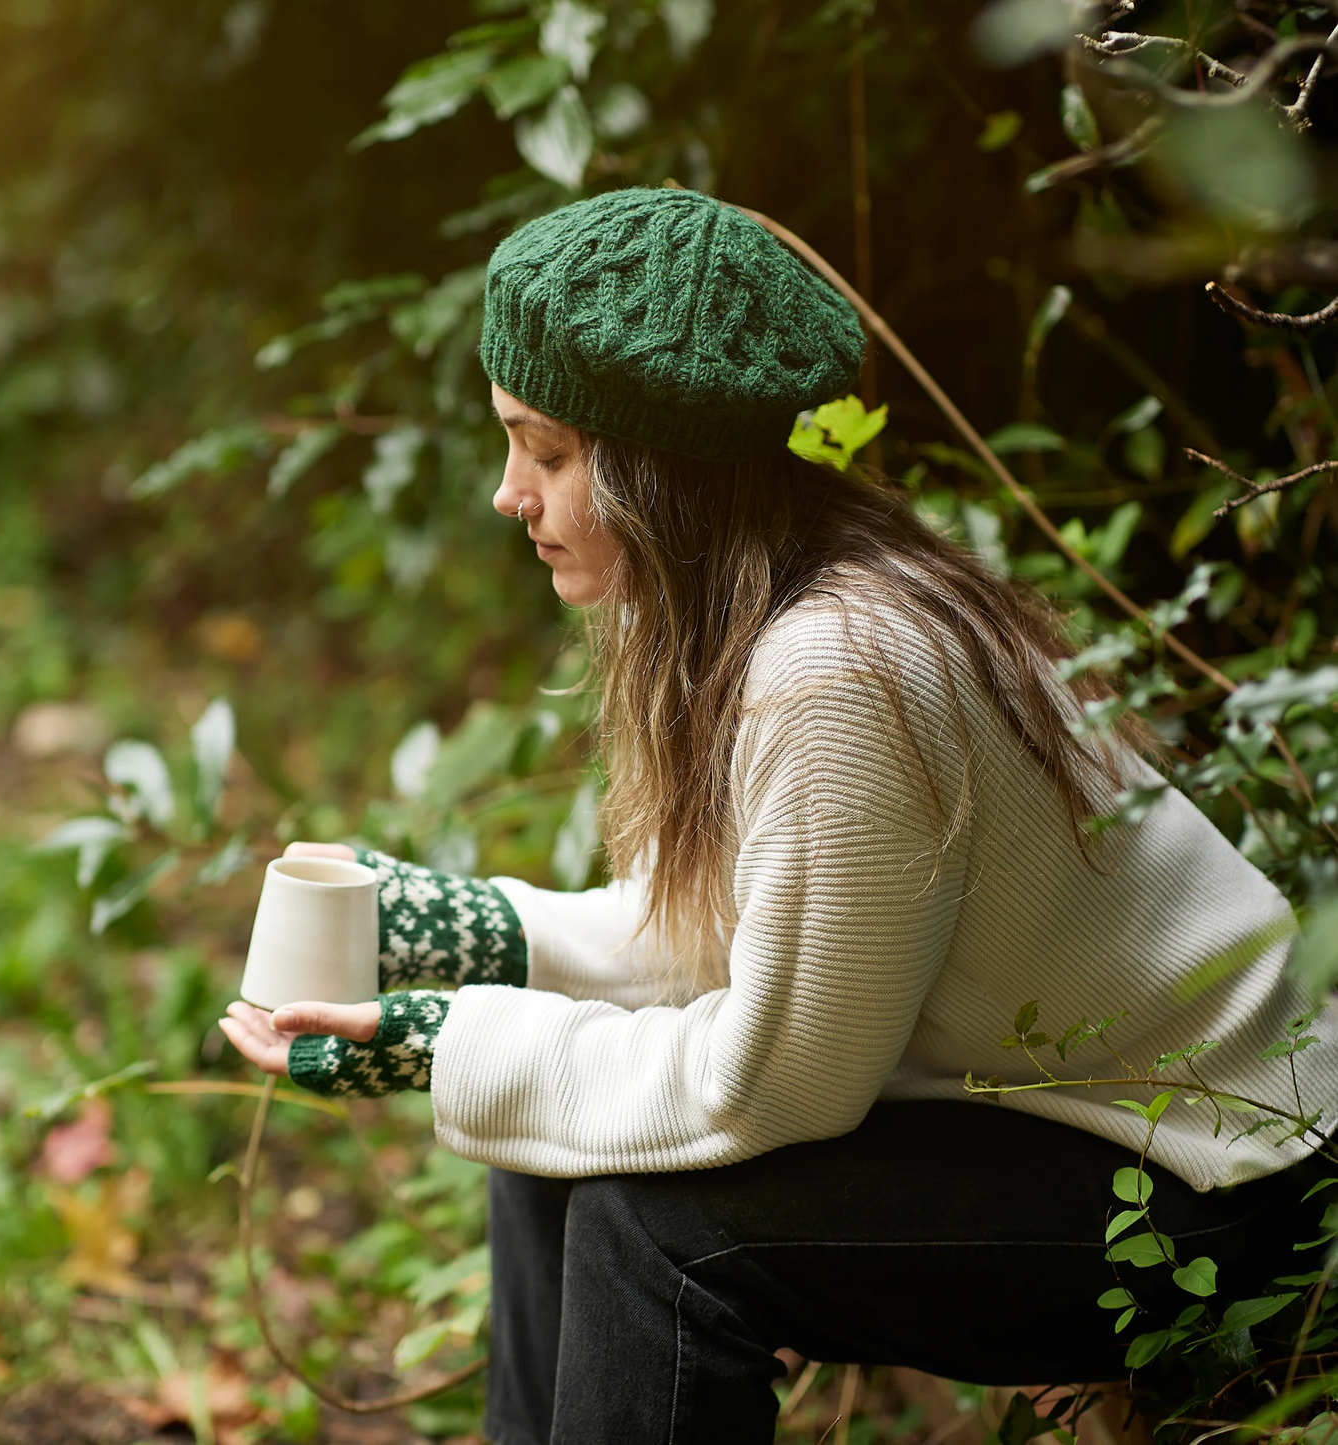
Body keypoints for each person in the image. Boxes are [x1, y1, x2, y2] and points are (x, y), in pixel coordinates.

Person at [219, 186, 1337, 1445]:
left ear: (660, 471)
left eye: (545, 452)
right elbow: (731, 937)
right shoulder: (776, 609)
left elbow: (773, 1082)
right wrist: (447, 938)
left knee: (662, 1233)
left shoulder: (838, 672)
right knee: (556, 1134)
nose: (506, 495)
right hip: (1080, 1122)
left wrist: (445, 1039)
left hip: (1227, 1175)